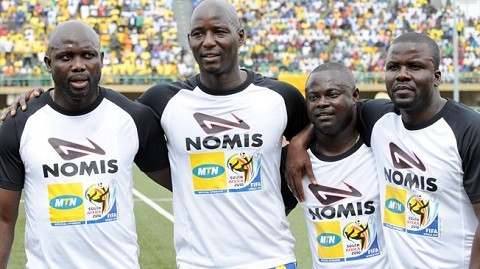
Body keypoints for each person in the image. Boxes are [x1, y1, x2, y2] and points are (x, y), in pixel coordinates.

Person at [2, 1, 309, 268]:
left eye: (219, 31)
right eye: (199, 34)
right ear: (189, 40)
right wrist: (34, 100)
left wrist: (299, 141)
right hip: (197, 262)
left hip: (271, 258)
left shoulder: (281, 97)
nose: (209, 42)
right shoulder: (162, 101)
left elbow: (329, 132)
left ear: (240, 36)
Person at [286, 32, 480, 268]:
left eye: (415, 66)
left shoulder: (468, 128)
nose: (402, 75)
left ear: (437, 77)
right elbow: (333, 112)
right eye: (393, 67)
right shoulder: (380, 120)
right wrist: (299, 142)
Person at [0, 20, 170, 268]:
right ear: (49, 63)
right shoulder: (19, 124)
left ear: (101, 59)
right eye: (66, 57)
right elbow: (4, 220)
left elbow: (184, 185)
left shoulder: (133, 118)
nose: (78, 65)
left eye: (87, 55)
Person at [281, 62, 389, 268]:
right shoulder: (293, 162)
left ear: (355, 96)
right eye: (313, 97)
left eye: (332, 94)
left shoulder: (380, 150)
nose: (322, 103)